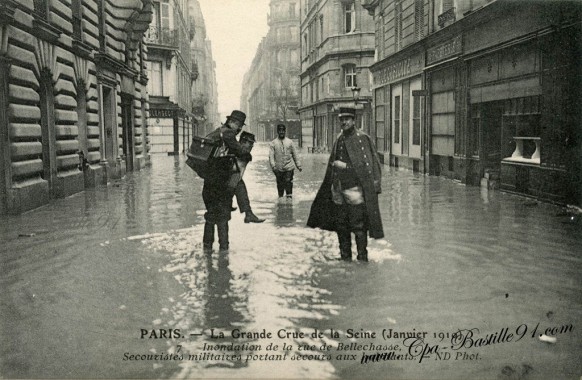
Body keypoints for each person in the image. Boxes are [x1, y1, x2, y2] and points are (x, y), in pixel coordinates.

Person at [307, 107, 384, 262]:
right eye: (341, 119)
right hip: (339, 190)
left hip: (355, 191)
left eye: (347, 119)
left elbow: (368, 167)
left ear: (354, 120)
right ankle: (345, 259)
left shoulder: (362, 139)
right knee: (342, 227)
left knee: (359, 227)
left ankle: (362, 260)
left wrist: (345, 167)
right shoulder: (339, 138)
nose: (343, 122)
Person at [202, 110, 263, 251]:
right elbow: (240, 151)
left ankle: (207, 250)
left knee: (211, 216)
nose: (239, 129)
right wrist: (247, 154)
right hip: (220, 186)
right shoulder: (228, 133)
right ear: (232, 122)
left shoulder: (218, 132)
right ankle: (224, 253)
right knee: (223, 218)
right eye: (239, 125)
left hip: (209, 184)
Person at [269, 124, 302, 199]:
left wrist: (298, 165)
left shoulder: (290, 142)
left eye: (283, 131)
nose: (281, 132)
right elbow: (271, 156)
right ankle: (280, 202)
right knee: (280, 186)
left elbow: (295, 154)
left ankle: (289, 201)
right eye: (280, 131)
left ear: (285, 131)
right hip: (278, 169)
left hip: (289, 168)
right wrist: (273, 166)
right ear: (277, 131)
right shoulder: (273, 143)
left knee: (288, 182)